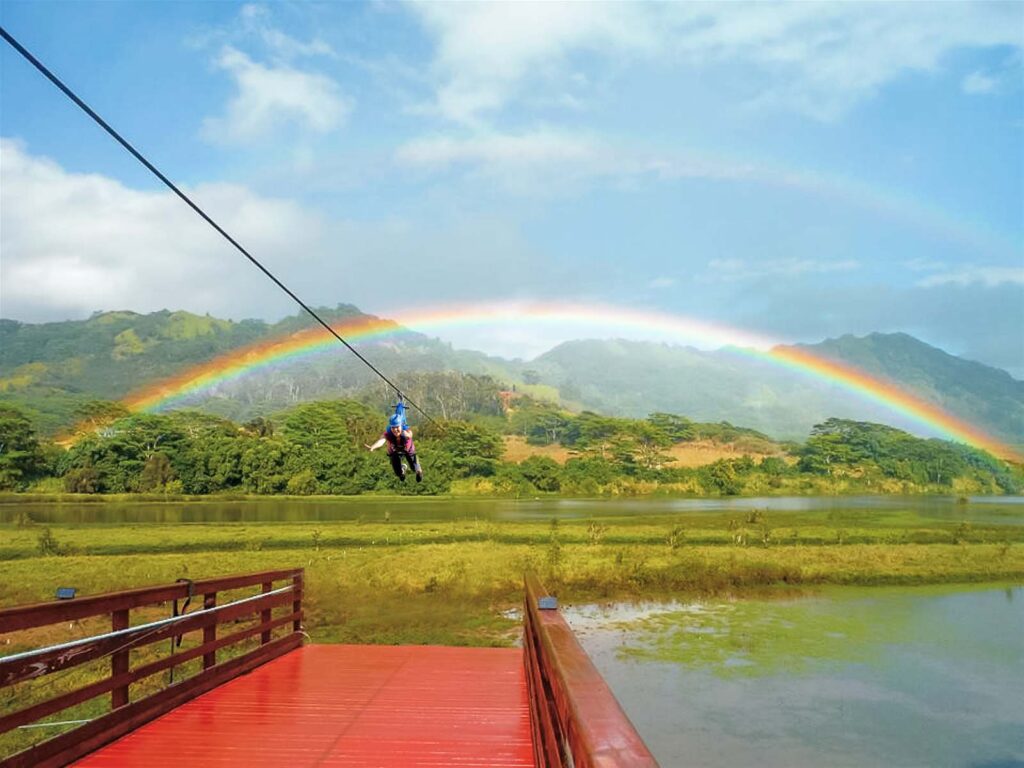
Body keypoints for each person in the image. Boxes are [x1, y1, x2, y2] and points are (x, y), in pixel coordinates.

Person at [367, 410, 422, 482]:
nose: (395, 430)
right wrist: (373, 447)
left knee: (414, 468)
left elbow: (410, 434)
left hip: (408, 451)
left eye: (397, 427)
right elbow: (381, 441)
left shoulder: (406, 431)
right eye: (393, 427)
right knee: (399, 474)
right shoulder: (389, 433)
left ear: (401, 426)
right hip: (394, 452)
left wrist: (407, 435)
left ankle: (419, 471)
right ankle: (402, 470)